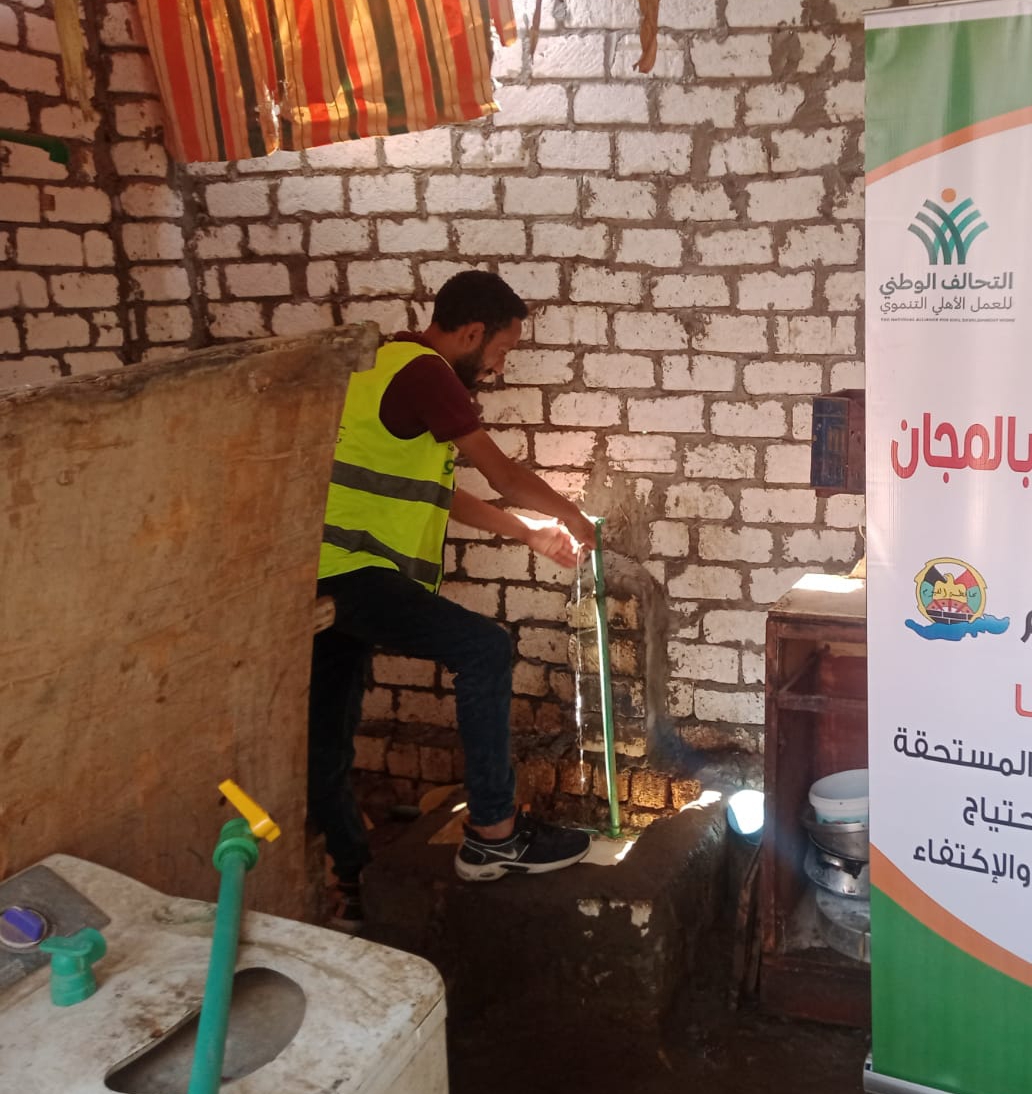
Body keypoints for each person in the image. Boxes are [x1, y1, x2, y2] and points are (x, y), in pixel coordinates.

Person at [308, 270, 597, 913]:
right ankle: (495, 835)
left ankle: (352, 883)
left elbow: (440, 494)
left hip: (320, 572)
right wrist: (574, 518)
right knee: (483, 649)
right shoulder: (427, 372)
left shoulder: (383, 365)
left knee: (325, 743)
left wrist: (529, 533)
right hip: (355, 570)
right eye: (500, 351)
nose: (498, 368)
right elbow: (502, 474)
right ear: (471, 332)